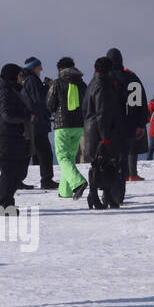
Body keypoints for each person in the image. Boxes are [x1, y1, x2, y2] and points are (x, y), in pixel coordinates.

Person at [84, 57, 127, 210]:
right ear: (109, 70)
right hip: (102, 131)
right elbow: (102, 112)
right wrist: (105, 137)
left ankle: (104, 196)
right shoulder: (103, 85)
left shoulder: (92, 83)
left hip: (92, 129)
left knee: (103, 164)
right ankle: (95, 196)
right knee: (101, 164)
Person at [0, 64, 32, 216]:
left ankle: (7, 204)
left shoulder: (10, 90)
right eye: (19, 75)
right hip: (5, 140)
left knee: (15, 173)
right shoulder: (5, 92)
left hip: (11, 139)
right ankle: (2, 206)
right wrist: (26, 117)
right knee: (8, 173)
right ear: (12, 76)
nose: (21, 78)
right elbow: (7, 115)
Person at [106, 48, 149, 193]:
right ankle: (121, 189)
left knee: (110, 158)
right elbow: (140, 102)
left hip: (110, 126)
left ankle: (109, 191)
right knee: (124, 158)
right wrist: (141, 124)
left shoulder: (105, 78)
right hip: (129, 125)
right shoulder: (132, 77)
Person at [45, 59, 87, 201]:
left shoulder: (57, 83)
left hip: (62, 126)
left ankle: (78, 182)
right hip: (78, 126)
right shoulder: (82, 84)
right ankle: (65, 191)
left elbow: (50, 105)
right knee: (69, 158)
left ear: (61, 69)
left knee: (63, 157)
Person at [20, 57, 59, 190]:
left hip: (33, 122)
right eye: (39, 67)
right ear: (33, 67)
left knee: (29, 151)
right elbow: (40, 100)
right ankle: (46, 179)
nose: (41, 69)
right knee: (45, 152)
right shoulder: (32, 80)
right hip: (37, 122)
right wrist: (48, 88)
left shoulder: (27, 80)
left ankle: (17, 179)